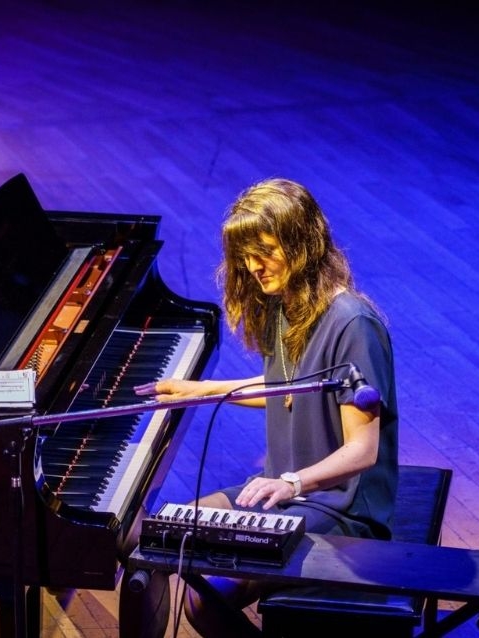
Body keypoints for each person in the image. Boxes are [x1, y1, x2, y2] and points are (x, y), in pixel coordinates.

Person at [118, 177, 398, 638]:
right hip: (283, 494)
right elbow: (285, 387)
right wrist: (199, 390)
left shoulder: (353, 324)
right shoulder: (285, 306)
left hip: (340, 510)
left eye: (264, 251)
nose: (252, 267)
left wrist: (291, 483)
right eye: (246, 255)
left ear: (301, 242)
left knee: (206, 598)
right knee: (148, 536)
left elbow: (363, 450)